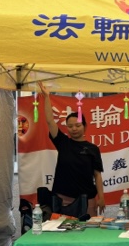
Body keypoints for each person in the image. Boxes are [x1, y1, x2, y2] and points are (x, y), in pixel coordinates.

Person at [38, 82, 105, 218]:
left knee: (87, 233)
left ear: (85, 127)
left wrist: (101, 197)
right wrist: (47, 97)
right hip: (62, 199)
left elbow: (97, 175)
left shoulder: (93, 149)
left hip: (87, 200)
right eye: (70, 126)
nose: (74, 129)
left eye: (77, 125)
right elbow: (50, 121)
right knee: (62, 234)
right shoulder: (63, 142)